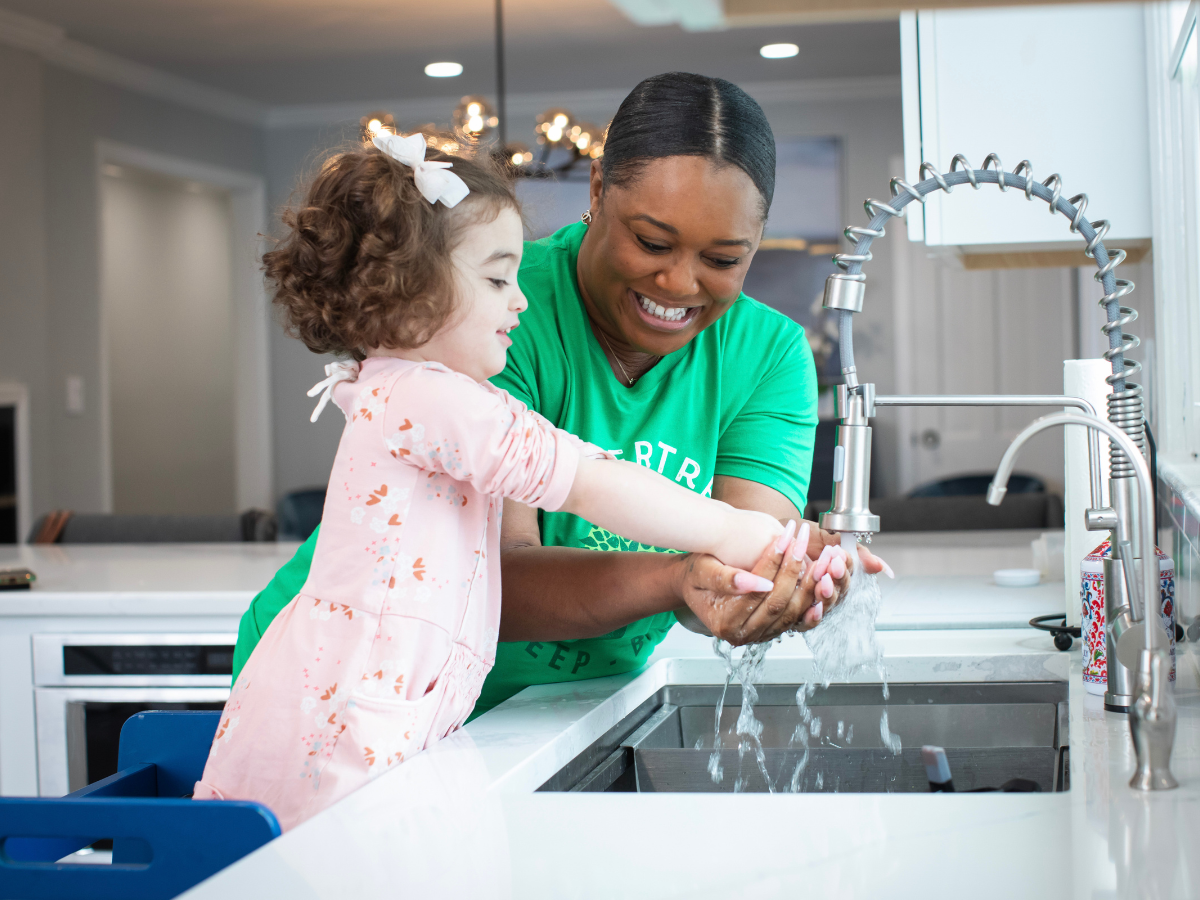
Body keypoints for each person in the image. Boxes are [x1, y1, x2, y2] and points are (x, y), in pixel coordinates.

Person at [194, 130, 818, 830]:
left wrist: (767, 553)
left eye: (724, 256)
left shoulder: (413, 388)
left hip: (384, 692)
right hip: (348, 702)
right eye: (497, 281)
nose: (520, 303)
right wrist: (739, 532)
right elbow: (582, 479)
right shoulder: (435, 399)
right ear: (409, 294)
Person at [232, 71, 887, 721]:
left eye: (722, 259)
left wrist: (777, 573)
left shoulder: (766, 353)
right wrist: (726, 552)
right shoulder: (475, 321)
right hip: (343, 690)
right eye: (652, 242)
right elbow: (513, 558)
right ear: (597, 189)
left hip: (501, 704)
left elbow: (731, 576)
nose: (680, 281)